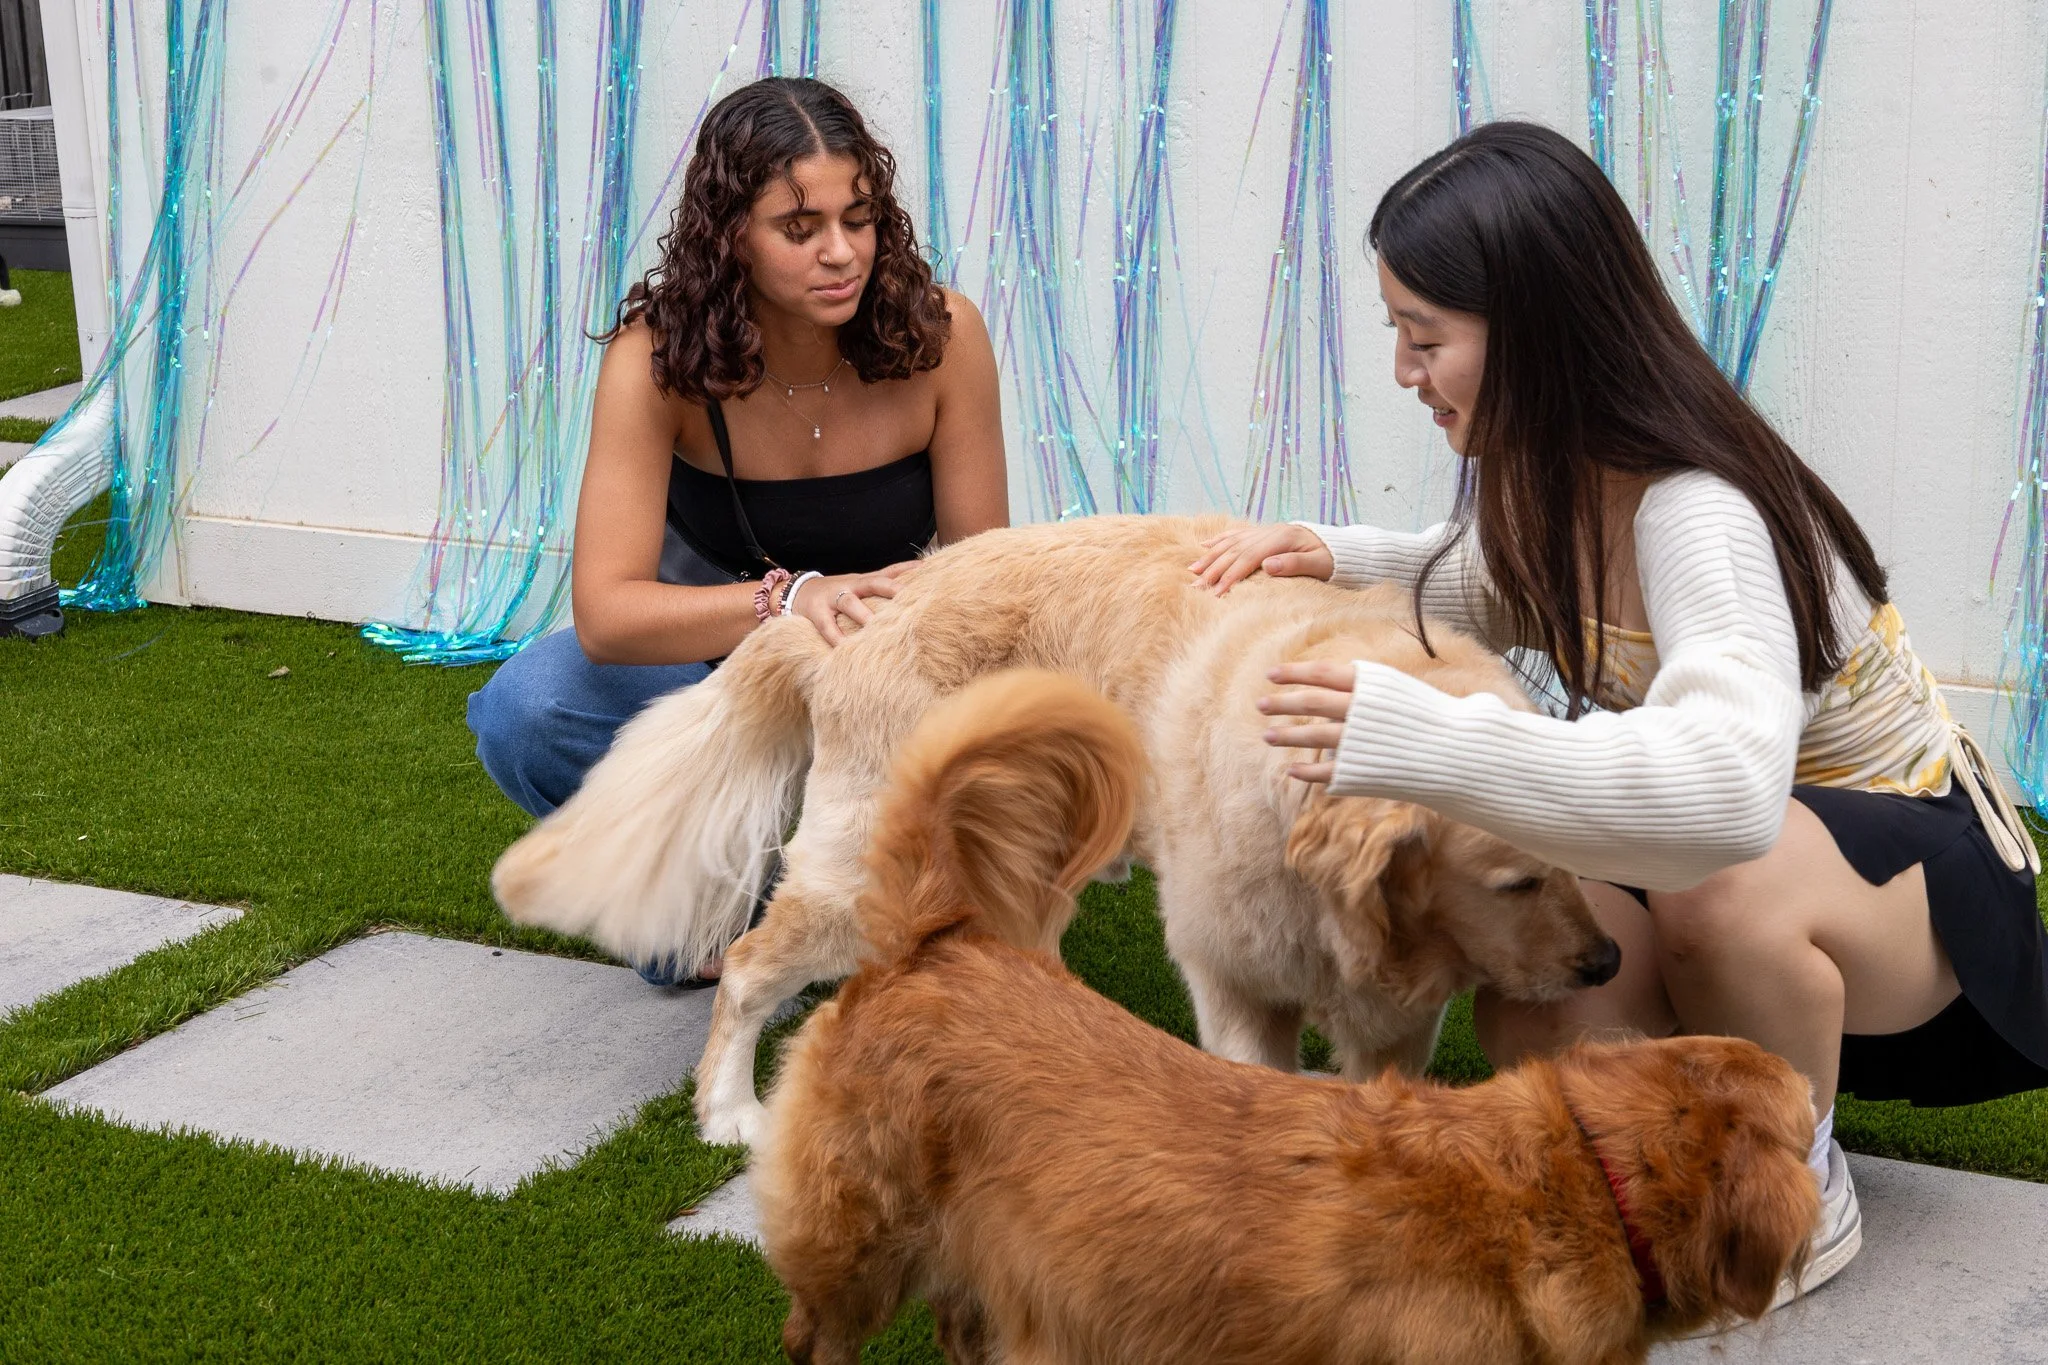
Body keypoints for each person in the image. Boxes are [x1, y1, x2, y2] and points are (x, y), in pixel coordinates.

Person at [1195, 120, 2047, 1306]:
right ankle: (1656, 1169)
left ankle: (1792, 1187)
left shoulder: (1700, 512)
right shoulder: (1547, 470)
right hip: (1745, 859)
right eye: (1396, 331)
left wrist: (1428, 742)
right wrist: (1330, 557)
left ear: (1535, 335)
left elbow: (1724, 798)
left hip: (1901, 883)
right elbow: (1499, 584)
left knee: (1717, 884)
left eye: (1422, 336)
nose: (1402, 371)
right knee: (1539, 979)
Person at [468, 77, 1008, 981]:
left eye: (859, 218)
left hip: (891, 676)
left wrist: (897, 646)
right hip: (724, 668)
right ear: (733, 238)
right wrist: (789, 601)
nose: (841, 253)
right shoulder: (657, 361)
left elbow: (986, 576)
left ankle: (850, 898)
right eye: (799, 229)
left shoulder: (944, 334)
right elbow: (607, 613)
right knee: (530, 709)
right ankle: (714, 911)